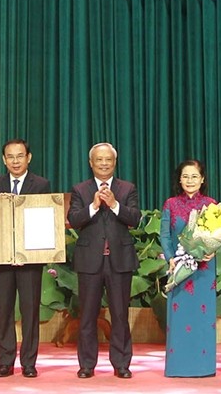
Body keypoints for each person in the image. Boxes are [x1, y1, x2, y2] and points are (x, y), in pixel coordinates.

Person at [67, 142, 141, 379]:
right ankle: (87, 364)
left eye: (108, 159)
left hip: (119, 260)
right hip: (90, 261)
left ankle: (121, 364)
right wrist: (94, 205)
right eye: (99, 160)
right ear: (91, 163)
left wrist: (114, 204)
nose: (104, 163)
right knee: (88, 315)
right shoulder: (80, 189)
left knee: (120, 314)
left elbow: (135, 218)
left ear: (114, 162)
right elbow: (74, 220)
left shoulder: (127, 188)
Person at [0, 139, 51, 378]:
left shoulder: (42, 184)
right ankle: (5, 362)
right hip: (2, 259)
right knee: (3, 311)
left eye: (20, 156)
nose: (15, 161)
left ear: (29, 158)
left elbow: (44, 221)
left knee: (30, 311)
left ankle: (29, 363)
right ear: (4, 159)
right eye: (10, 157)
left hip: (30, 261)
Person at [159, 160, 218, 377]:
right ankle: (178, 367)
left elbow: (219, 233)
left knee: (203, 319)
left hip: (204, 269)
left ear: (202, 179)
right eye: (185, 176)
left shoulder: (211, 204)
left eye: (194, 176)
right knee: (180, 318)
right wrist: (170, 258)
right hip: (180, 268)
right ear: (179, 179)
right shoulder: (171, 204)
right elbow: (164, 234)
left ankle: (204, 367)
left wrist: (214, 249)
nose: (190, 181)